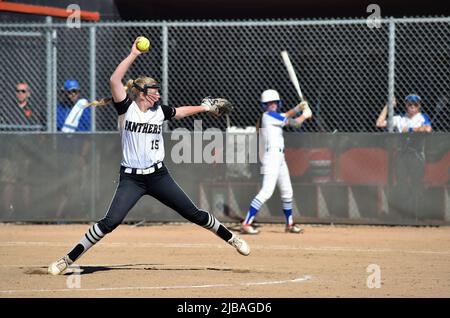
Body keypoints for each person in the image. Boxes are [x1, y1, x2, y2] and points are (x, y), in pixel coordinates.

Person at [48, 37, 249, 275]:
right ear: (142, 92)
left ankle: (232, 239)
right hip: (131, 180)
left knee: (193, 213)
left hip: (158, 176)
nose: (157, 94)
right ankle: (67, 259)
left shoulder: (159, 112)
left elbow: (181, 112)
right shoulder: (126, 108)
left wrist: (205, 107)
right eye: (154, 91)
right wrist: (133, 54)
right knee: (110, 222)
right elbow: (114, 80)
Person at [240, 89, 312, 234]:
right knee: (267, 191)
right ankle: (246, 223)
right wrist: (305, 115)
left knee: (287, 191)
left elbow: (285, 115)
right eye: (269, 103)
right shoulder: (268, 116)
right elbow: (295, 123)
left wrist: (298, 108)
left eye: (274, 102)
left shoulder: (274, 115)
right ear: (264, 105)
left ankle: (289, 224)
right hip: (272, 157)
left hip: (280, 158)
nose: (272, 105)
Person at [376, 94, 432, 220]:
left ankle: (419, 217)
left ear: (419, 106)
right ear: (406, 105)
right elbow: (379, 123)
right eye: (409, 104)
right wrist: (388, 106)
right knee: (401, 185)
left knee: (417, 185)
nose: (412, 107)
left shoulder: (422, 117)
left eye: (415, 104)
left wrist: (410, 130)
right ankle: (402, 215)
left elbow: (428, 129)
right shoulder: (400, 118)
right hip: (402, 156)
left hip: (417, 156)